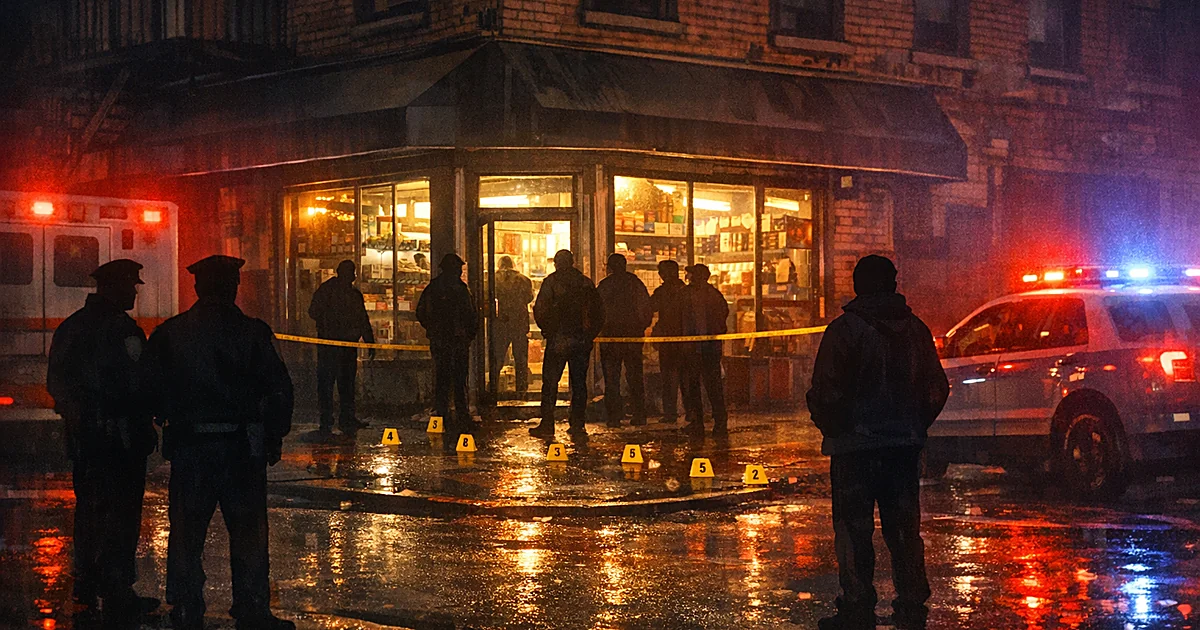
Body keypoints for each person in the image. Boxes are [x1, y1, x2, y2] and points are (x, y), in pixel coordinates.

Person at [144, 255, 295, 630]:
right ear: (234, 287)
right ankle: (252, 607)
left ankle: (185, 604)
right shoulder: (254, 333)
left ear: (198, 287)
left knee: (186, 534)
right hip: (241, 450)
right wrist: (274, 436)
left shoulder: (171, 333)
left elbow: (148, 389)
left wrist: (167, 419)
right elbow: (279, 388)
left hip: (191, 450)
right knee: (248, 535)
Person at [806, 255, 949, 630]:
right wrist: (914, 426)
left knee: (853, 530)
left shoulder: (845, 331)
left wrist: (834, 428)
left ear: (859, 285)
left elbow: (824, 391)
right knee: (903, 529)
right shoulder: (916, 330)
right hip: (902, 449)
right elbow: (937, 388)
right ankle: (912, 597)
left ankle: (857, 602)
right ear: (892, 284)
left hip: (853, 450)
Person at [46, 259, 160, 623]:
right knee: (121, 515)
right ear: (114, 287)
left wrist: (78, 416)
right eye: (131, 286)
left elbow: (57, 382)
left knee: (90, 510)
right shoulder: (122, 330)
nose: (135, 292)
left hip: (88, 439)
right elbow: (139, 382)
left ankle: (86, 582)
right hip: (119, 440)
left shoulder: (72, 327)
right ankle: (116, 590)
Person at [529, 249, 603, 438]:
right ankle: (578, 424)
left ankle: (547, 424)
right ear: (572, 262)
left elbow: (541, 309)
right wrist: (589, 335)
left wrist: (548, 331)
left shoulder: (552, 282)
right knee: (579, 383)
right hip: (581, 340)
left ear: (556, 263)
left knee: (550, 383)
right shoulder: (585, 283)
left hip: (558, 340)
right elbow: (598, 312)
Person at [307, 260, 374, 437]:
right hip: (333, 346)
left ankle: (340, 419)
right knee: (332, 383)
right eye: (351, 272)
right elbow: (314, 311)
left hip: (340, 346)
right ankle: (332, 420)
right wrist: (368, 340)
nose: (353, 276)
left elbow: (362, 318)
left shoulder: (345, 293)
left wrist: (369, 340)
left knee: (343, 383)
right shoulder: (331, 292)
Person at [416, 253, 478, 431]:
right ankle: (460, 416)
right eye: (458, 268)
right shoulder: (459, 289)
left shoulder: (434, 288)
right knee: (457, 379)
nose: (460, 271)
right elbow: (470, 315)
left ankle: (444, 415)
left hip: (445, 341)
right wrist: (467, 335)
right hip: (455, 341)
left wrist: (433, 330)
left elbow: (421, 312)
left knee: (444, 378)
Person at [596, 253, 652, 427]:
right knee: (635, 376)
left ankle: (614, 417)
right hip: (632, 337)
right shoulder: (635, 283)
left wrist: (600, 329)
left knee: (611, 378)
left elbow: (596, 309)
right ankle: (639, 414)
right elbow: (646, 308)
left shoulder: (605, 285)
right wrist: (640, 327)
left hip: (611, 337)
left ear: (610, 267)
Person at [680, 264, 729, 436]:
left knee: (698, 386)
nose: (688, 277)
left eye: (691, 274)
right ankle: (717, 422)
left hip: (697, 348)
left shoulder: (688, 294)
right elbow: (723, 316)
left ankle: (701, 422)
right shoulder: (713, 294)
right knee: (710, 386)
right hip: (706, 347)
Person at [649, 260, 686, 424]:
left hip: (668, 341)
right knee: (686, 378)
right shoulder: (686, 291)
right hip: (685, 340)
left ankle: (670, 413)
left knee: (668, 378)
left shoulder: (662, 292)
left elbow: (650, 307)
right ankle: (691, 412)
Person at [491, 255, 533, 395]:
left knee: (497, 357)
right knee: (520, 358)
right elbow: (529, 298)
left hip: (501, 322)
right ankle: (521, 389)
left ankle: (493, 387)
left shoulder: (493, 279)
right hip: (519, 322)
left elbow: (487, 297)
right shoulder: (524, 280)